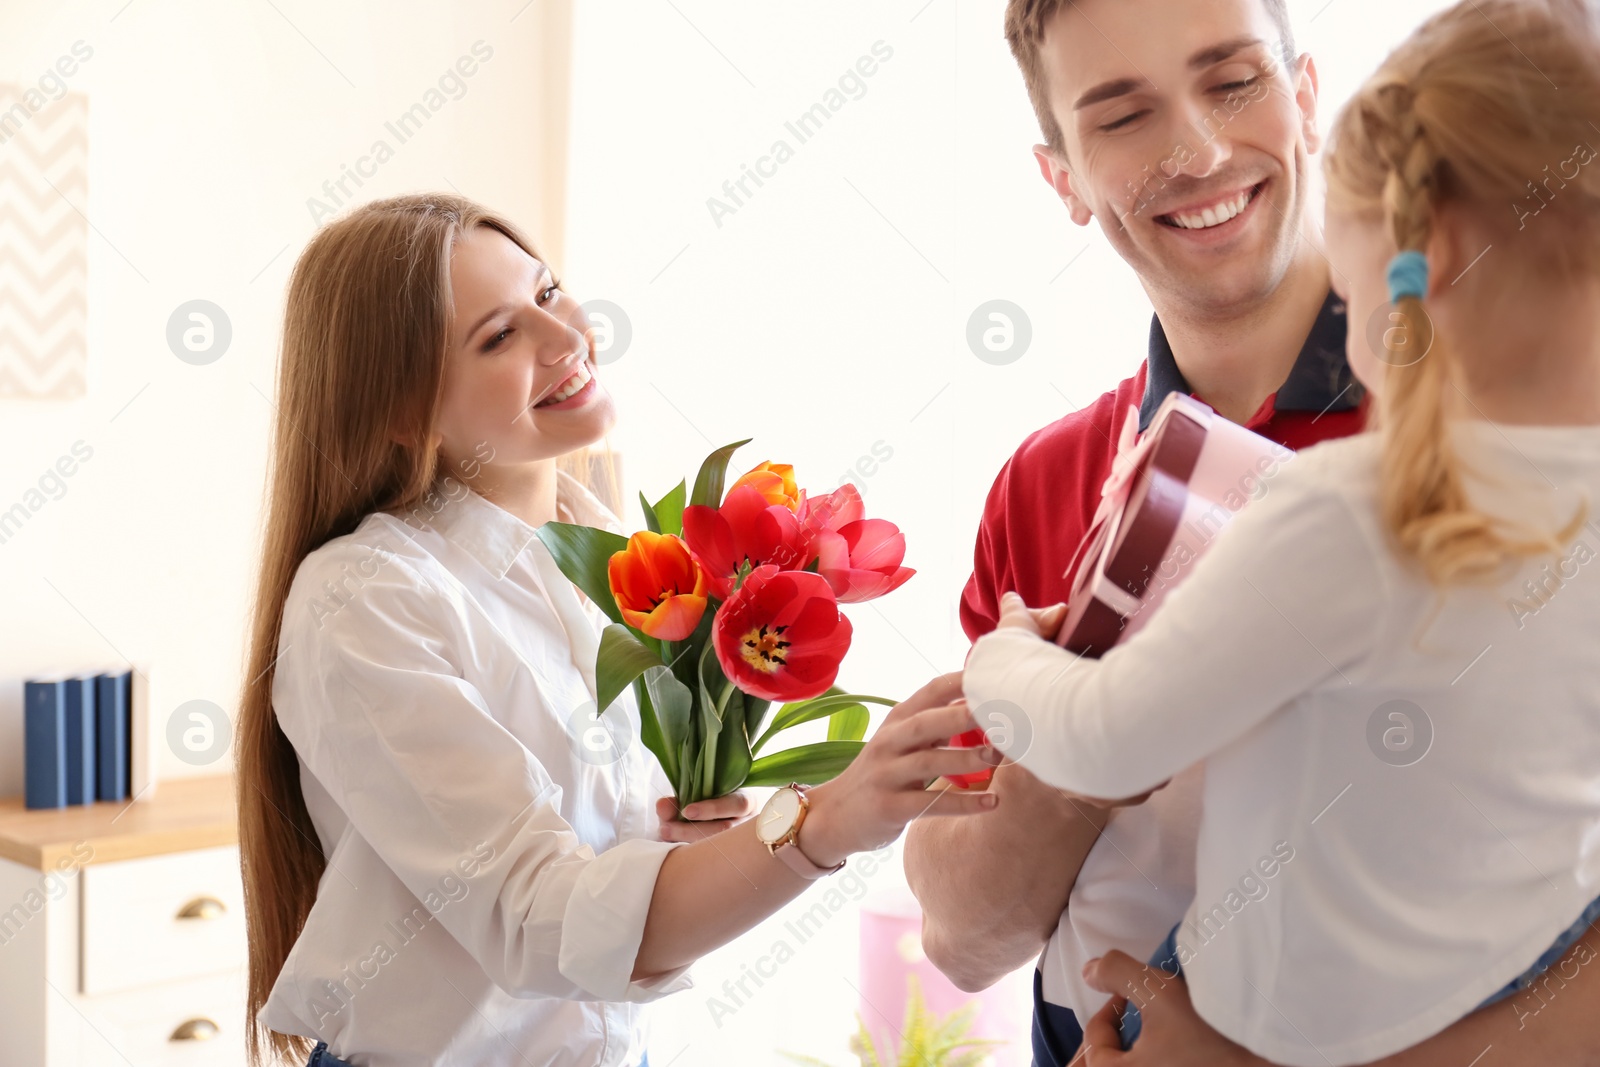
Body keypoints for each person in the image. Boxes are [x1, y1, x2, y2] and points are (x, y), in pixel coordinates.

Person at [903, 0, 1600, 1062]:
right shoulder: (1045, 482)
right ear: (1063, 181)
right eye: (1123, 116)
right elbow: (962, 937)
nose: (1196, 149)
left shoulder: (1494, 439)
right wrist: (1073, 745)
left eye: (1231, 82)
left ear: (1306, 97)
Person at [234, 193, 997, 1067]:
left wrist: (684, 848)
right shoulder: (364, 597)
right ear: (401, 412)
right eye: (498, 337)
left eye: (548, 292)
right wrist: (822, 819)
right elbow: (537, 918)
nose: (566, 341)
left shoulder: (609, 558)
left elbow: (596, 879)